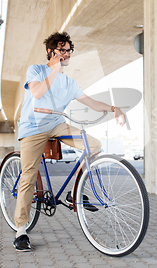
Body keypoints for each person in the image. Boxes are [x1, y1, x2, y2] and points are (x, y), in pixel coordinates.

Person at [13, 31, 126, 252]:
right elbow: (37, 93)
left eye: (68, 50)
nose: (65, 54)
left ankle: (75, 192)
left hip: (57, 124)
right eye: (61, 50)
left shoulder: (69, 82)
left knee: (94, 145)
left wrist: (114, 109)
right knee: (28, 175)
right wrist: (54, 69)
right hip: (33, 127)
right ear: (50, 51)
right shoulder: (36, 70)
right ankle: (21, 230)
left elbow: (91, 103)